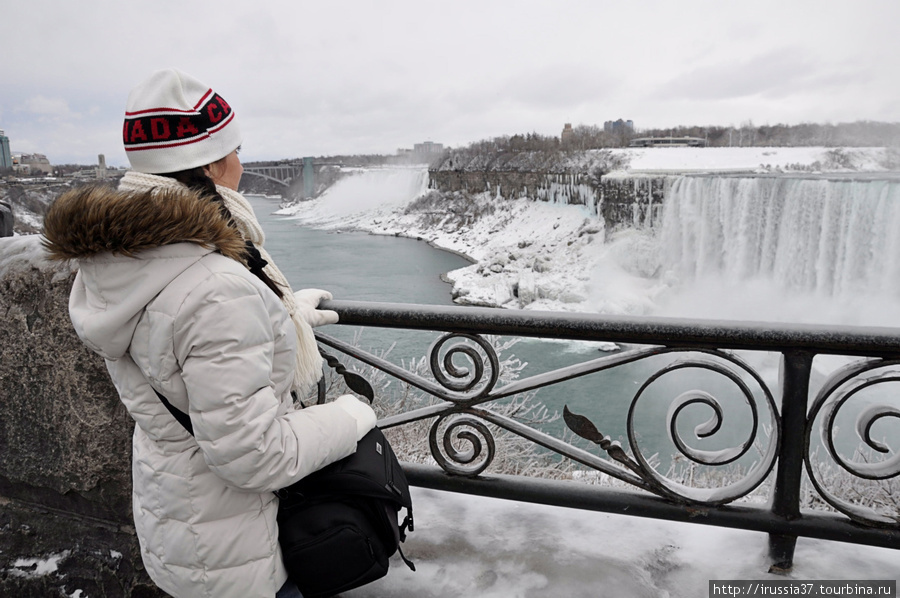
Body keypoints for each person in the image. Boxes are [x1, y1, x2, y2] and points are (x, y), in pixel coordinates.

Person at [42, 69, 376, 598]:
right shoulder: (214, 285)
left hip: (180, 514)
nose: (242, 163)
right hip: (241, 549)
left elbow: (181, 346)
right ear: (211, 164)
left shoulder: (122, 257)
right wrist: (351, 416)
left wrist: (284, 314)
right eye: (236, 150)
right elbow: (254, 454)